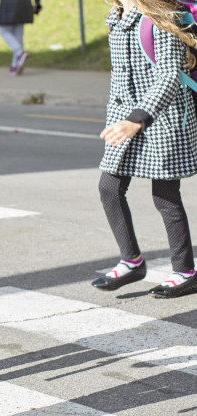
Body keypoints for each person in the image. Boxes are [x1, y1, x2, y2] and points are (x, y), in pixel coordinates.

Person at [91, 0, 197, 298]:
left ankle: (186, 271)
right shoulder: (117, 16)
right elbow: (119, 78)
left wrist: (137, 120)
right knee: (109, 188)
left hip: (163, 116)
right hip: (126, 118)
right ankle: (132, 261)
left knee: (165, 195)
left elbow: (168, 76)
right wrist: (117, 119)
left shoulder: (159, 16)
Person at [0, 0, 42, 75]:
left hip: (8, 4)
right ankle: (15, 65)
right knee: (18, 35)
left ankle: (20, 53)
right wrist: (37, 3)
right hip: (24, 4)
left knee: (4, 31)